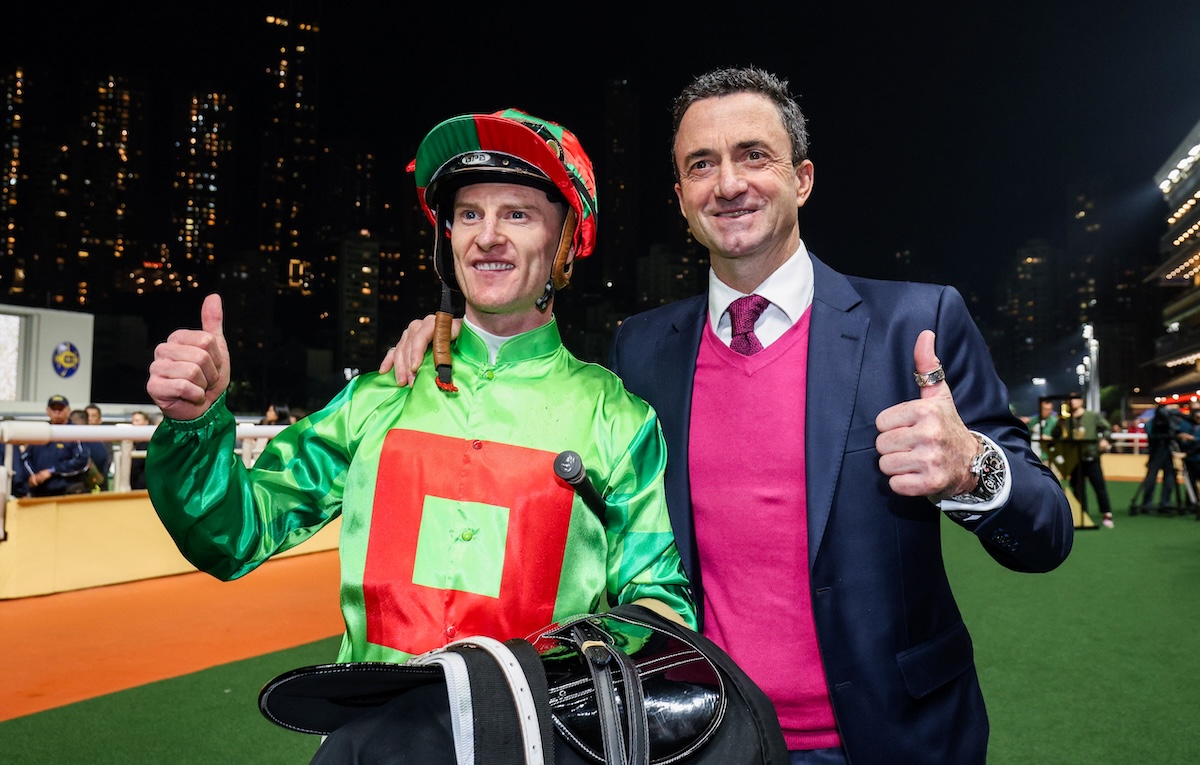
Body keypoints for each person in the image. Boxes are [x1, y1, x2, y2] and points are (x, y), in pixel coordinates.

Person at [383, 67, 1074, 764]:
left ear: (802, 178)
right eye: (701, 165)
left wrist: (973, 469)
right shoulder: (641, 350)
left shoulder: (915, 325)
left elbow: (1047, 532)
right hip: (705, 740)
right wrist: (457, 343)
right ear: (681, 198)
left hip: (898, 737)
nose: (729, 183)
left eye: (753, 155)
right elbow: (545, 423)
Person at [143, 108, 695, 677]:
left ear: (566, 241)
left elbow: (662, 606)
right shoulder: (377, 397)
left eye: (518, 213)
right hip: (372, 736)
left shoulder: (618, 420)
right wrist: (196, 425)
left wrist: (553, 670)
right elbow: (234, 533)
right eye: (469, 213)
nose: (487, 236)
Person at [1058, 392, 1115, 526]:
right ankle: (1082, 514)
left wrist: (1104, 439)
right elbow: (1059, 435)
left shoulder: (1092, 416)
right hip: (1075, 459)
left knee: (1099, 486)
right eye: (1069, 399)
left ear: (1081, 401)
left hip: (1091, 456)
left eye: (1075, 399)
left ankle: (1106, 514)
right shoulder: (1067, 419)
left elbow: (1107, 428)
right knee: (1078, 488)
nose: (1072, 402)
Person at [19, 395, 91, 497]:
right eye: (54, 409)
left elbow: (82, 461)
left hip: (67, 492)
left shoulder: (76, 432)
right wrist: (33, 476)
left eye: (61, 409)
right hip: (39, 492)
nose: (57, 412)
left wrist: (52, 471)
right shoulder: (39, 432)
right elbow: (25, 458)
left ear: (68, 411)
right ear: (48, 411)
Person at [1133, 404, 1180, 515]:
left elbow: (1151, 434)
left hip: (1156, 452)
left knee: (1153, 476)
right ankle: (1164, 503)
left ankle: (1147, 503)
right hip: (1161, 451)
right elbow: (1174, 433)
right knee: (1167, 475)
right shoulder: (1166, 423)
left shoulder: (1150, 423)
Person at [1028, 397, 1061, 463]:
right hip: (1033, 455)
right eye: (1045, 409)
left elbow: (1060, 439)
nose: (1047, 412)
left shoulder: (1055, 422)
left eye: (1050, 409)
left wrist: (1049, 438)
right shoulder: (1033, 420)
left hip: (1049, 456)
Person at [127, 410, 152, 490]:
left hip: (144, 487)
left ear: (146, 422)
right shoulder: (131, 443)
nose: (134, 423)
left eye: (137, 421)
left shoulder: (151, 444)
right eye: (133, 421)